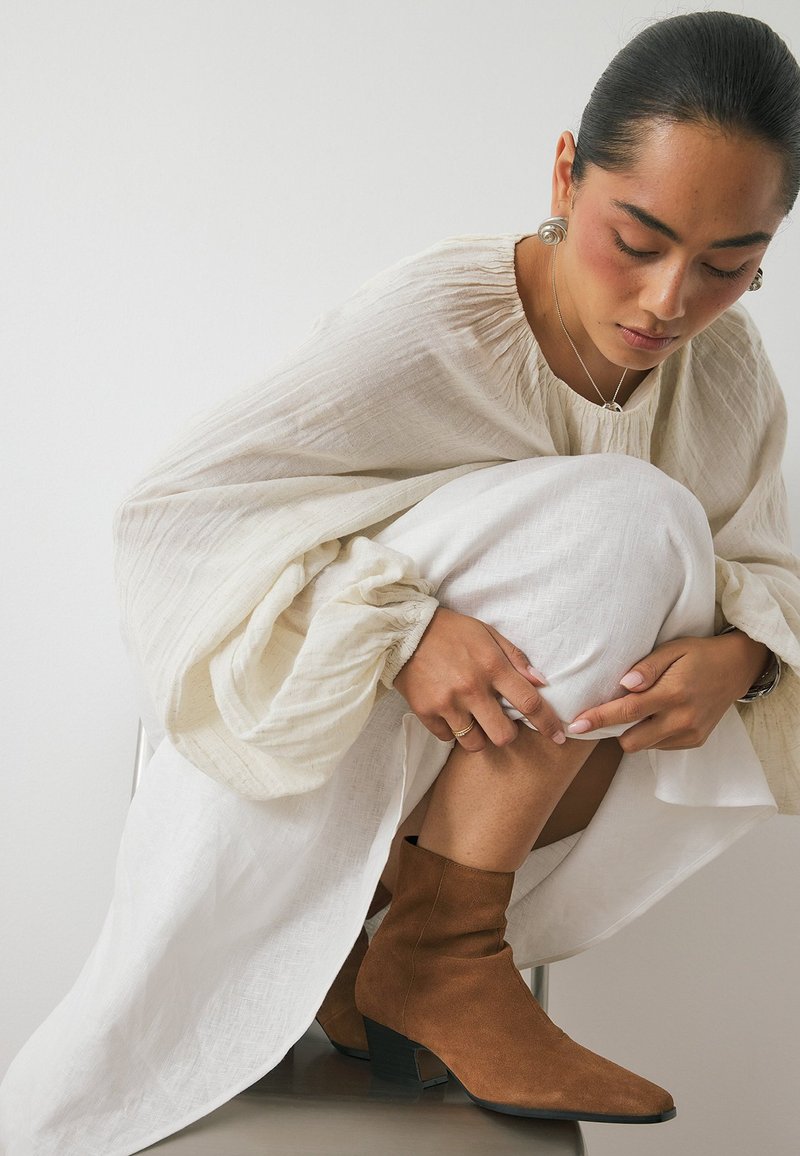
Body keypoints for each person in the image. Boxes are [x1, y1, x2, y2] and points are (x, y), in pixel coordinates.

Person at [2, 9, 799, 1153]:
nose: (669, 300)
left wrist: (742, 657)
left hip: (507, 815)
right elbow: (172, 516)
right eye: (637, 239)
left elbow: (759, 562)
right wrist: (402, 626)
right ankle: (422, 955)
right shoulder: (437, 324)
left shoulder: (720, 374)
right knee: (637, 520)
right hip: (329, 772)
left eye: (729, 267)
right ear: (568, 173)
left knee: (677, 566)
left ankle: (421, 948)